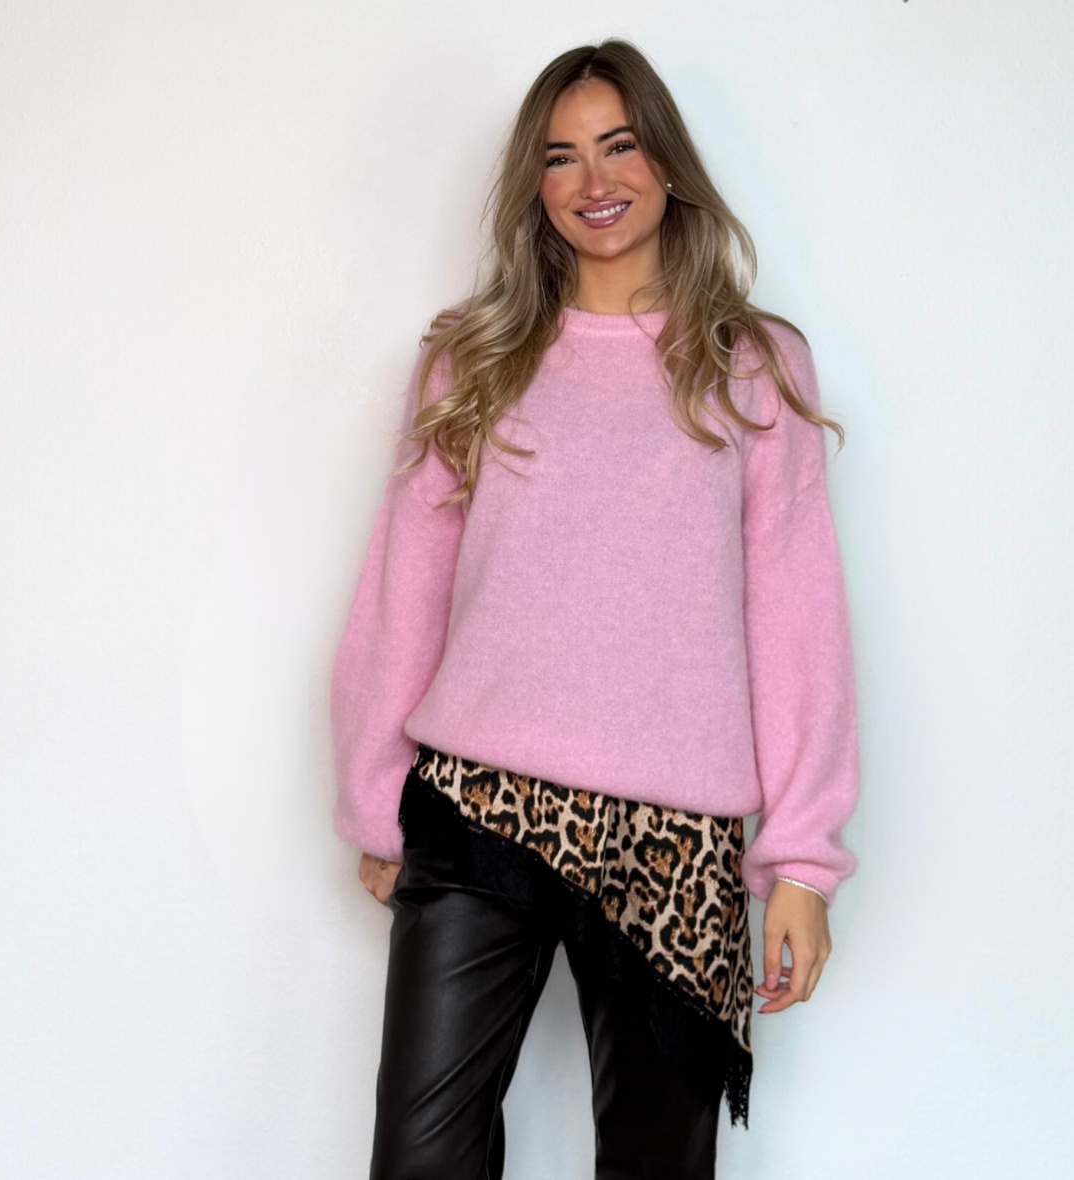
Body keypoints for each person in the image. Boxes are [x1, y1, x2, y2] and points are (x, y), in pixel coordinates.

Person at [328, 37, 860, 1180]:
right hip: (478, 810)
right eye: (559, 156)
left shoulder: (752, 365)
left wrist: (801, 864)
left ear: (665, 160)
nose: (593, 180)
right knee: (420, 1158)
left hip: (677, 837)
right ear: (534, 184)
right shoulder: (475, 360)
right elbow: (402, 592)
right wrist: (377, 804)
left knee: (656, 1166)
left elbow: (798, 621)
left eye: (618, 145)